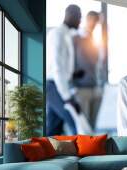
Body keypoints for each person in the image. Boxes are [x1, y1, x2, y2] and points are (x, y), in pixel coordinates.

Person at [46, 4, 82, 136]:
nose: (80, 21)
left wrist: (73, 74)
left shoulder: (66, 35)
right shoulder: (57, 34)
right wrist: (67, 97)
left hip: (57, 84)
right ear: (70, 16)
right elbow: (56, 68)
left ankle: (47, 153)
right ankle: (82, 153)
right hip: (53, 85)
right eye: (79, 17)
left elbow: (61, 66)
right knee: (74, 121)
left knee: (53, 127)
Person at [72, 11, 103, 128]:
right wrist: (73, 85)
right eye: (93, 20)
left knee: (92, 125)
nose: (94, 24)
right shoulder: (76, 38)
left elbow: (96, 64)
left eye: (96, 22)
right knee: (83, 126)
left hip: (94, 87)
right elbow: (71, 63)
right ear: (87, 19)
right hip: (81, 88)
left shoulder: (94, 40)